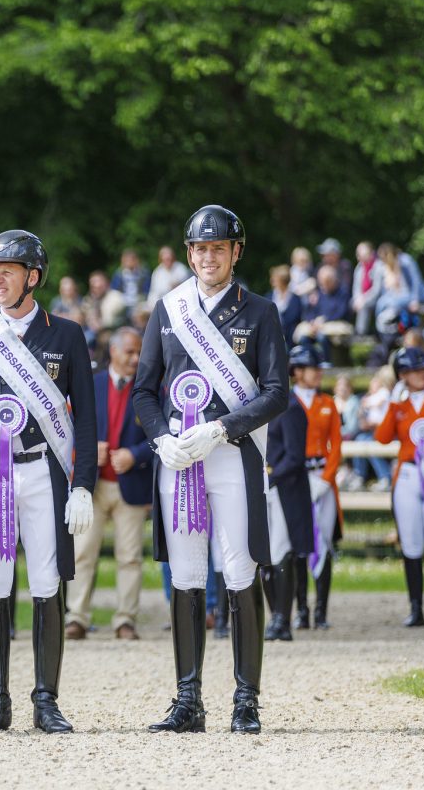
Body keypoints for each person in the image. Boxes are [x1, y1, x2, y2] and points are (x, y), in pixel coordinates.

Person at [133, 205, 288, 734]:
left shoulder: (260, 312)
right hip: (180, 459)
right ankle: (188, 700)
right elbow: (144, 390)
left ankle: (246, 700)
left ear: (235, 252)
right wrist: (161, 437)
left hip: (231, 454)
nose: (207, 257)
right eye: (200, 249)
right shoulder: (168, 309)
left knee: (240, 571)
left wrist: (221, 429)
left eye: (218, 248)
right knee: (186, 574)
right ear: (189, 253)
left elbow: (276, 392)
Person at [0, 229, 97, 734]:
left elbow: (87, 418)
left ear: (33, 277)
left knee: (47, 581)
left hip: (44, 471)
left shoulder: (66, 335)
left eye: (7, 271)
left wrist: (83, 484)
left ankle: (46, 700)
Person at [66, 327, 152, 641]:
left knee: (130, 556)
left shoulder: (149, 387)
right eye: (130, 351)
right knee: (82, 553)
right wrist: (86, 451)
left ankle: (125, 620)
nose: (136, 358)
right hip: (92, 484)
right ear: (113, 351)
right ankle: (76, 618)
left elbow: (162, 435)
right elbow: (67, 428)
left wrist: (135, 454)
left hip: (132, 484)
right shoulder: (91, 384)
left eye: (139, 352)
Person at [374, 347, 424, 628]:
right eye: (414, 371)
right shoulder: (400, 408)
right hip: (408, 474)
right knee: (412, 542)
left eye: (422, 369)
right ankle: (416, 607)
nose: (421, 374)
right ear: (403, 375)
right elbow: (382, 437)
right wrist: (393, 404)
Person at [261, 347, 316, 642]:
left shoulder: (291, 408)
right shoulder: (261, 405)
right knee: (266, 553)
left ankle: (282, 618)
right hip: (266, 486)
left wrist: (269, 476)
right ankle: (275, 616)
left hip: (284, 488)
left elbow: (295, 456)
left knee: (281, 550)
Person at [289, 345, 343, 630]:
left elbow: (337, 445)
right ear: (298, 371)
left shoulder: (327, 403)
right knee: (298, 545)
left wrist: (327, 478)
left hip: (321, 476)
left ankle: (321, 611)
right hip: (296, 478)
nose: (319, 373)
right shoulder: (286, 401)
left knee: (324, 543)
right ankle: (301, 610)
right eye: (313, 368)